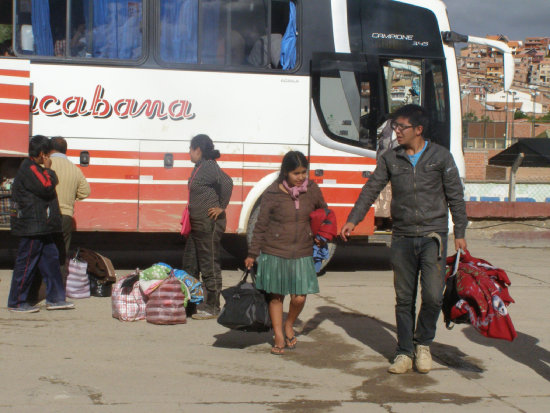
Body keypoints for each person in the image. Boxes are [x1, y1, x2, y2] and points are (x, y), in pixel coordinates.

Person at [340, 104, 467, 374]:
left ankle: (423, 344)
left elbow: (456, 195)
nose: (395, 132)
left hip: (434, 238)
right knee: (404, 299)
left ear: (418, 130)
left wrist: (461, 233)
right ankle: (404, 351)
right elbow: (371, 188)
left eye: (401, 127)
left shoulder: (440, 157)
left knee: (433, 297)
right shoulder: (390, 159)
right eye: (394, 127)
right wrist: (354, 218)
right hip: (403, 237)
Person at [245, 151, 328, 355]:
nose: (301, 177)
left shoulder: (313, 190)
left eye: (303, 172)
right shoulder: (272, 194)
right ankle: (279, 335)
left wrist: (321, 232)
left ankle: (289, 324)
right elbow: (261, 225)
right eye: (296, 173)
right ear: (285, 172)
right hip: (275, 251)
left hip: (303, 251)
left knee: (299, 297)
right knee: (276, 297)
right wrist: (252, 253)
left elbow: (324, 212)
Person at [7, 135, 74, 312]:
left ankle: (55, 299)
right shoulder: (30, 168)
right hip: (33, 227)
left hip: (42, 227)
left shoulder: (33, 167)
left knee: (51, 261)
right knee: (26, 264)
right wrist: (49, 169)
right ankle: (17, 302)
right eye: (48, 155)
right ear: (43, 154)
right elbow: (46, 185)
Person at [182, 134, 233, 320]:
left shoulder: (209, 167)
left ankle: (213, 306)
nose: (189, 153)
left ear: (198, 150)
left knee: (209, 263)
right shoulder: (200, 167)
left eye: (190, 149)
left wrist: (221, 207)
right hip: (197, 224)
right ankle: (192, 302)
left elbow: (227, 182)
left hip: (208, 224)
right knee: (190, 263)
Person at [49, 136, 91, 264]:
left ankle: (43, 284)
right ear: (65, 150)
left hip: (47, 215)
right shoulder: (75, 169)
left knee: (45, 254)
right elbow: (86, 191)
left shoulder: (45, 164)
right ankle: (60, 283)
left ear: (50, 149)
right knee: (61, 256)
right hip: (66, 216)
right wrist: (71, 197)